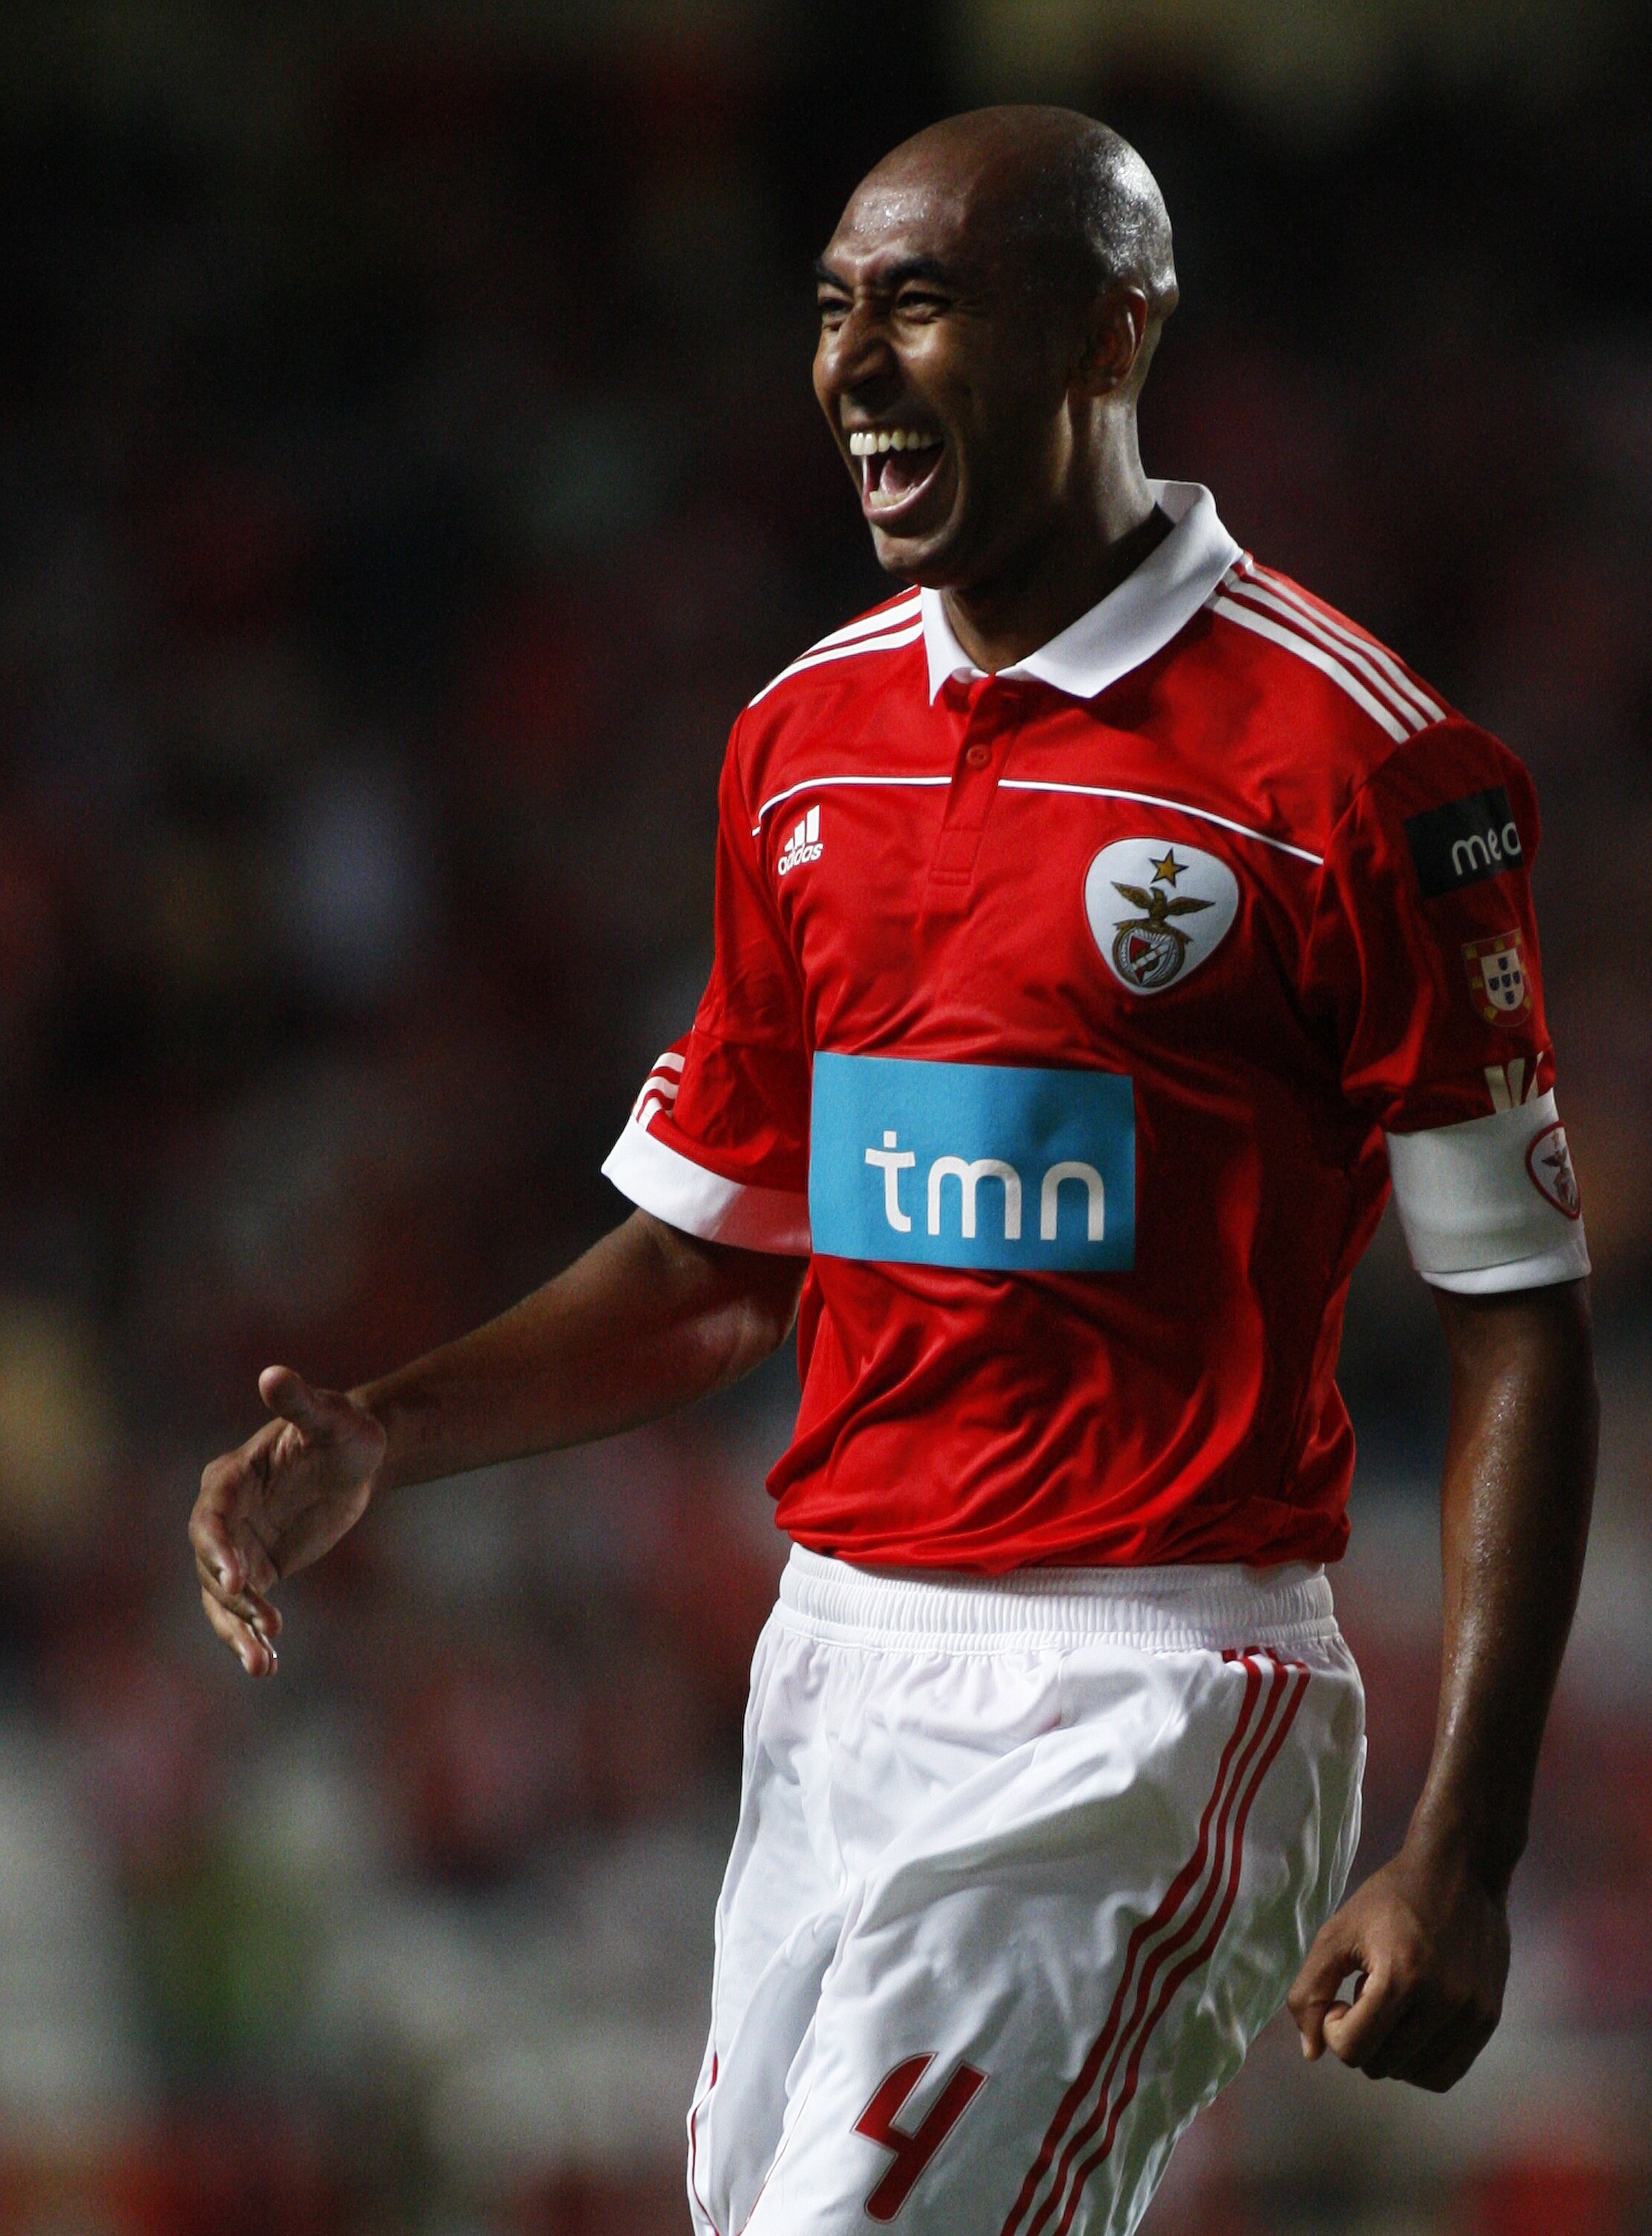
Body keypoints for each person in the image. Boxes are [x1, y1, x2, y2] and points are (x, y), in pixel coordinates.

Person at [192, 107, 1599, 2236]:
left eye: (922, 304)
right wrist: (385, 1432)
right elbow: (719, 1269)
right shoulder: (799, 739)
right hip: (832, 1672)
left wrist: (1462, 1844)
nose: (851, 361)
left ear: (1108, 334)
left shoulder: (1358, 769)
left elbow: (1516, 1324)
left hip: (1150, 1687)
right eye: (834, 308)